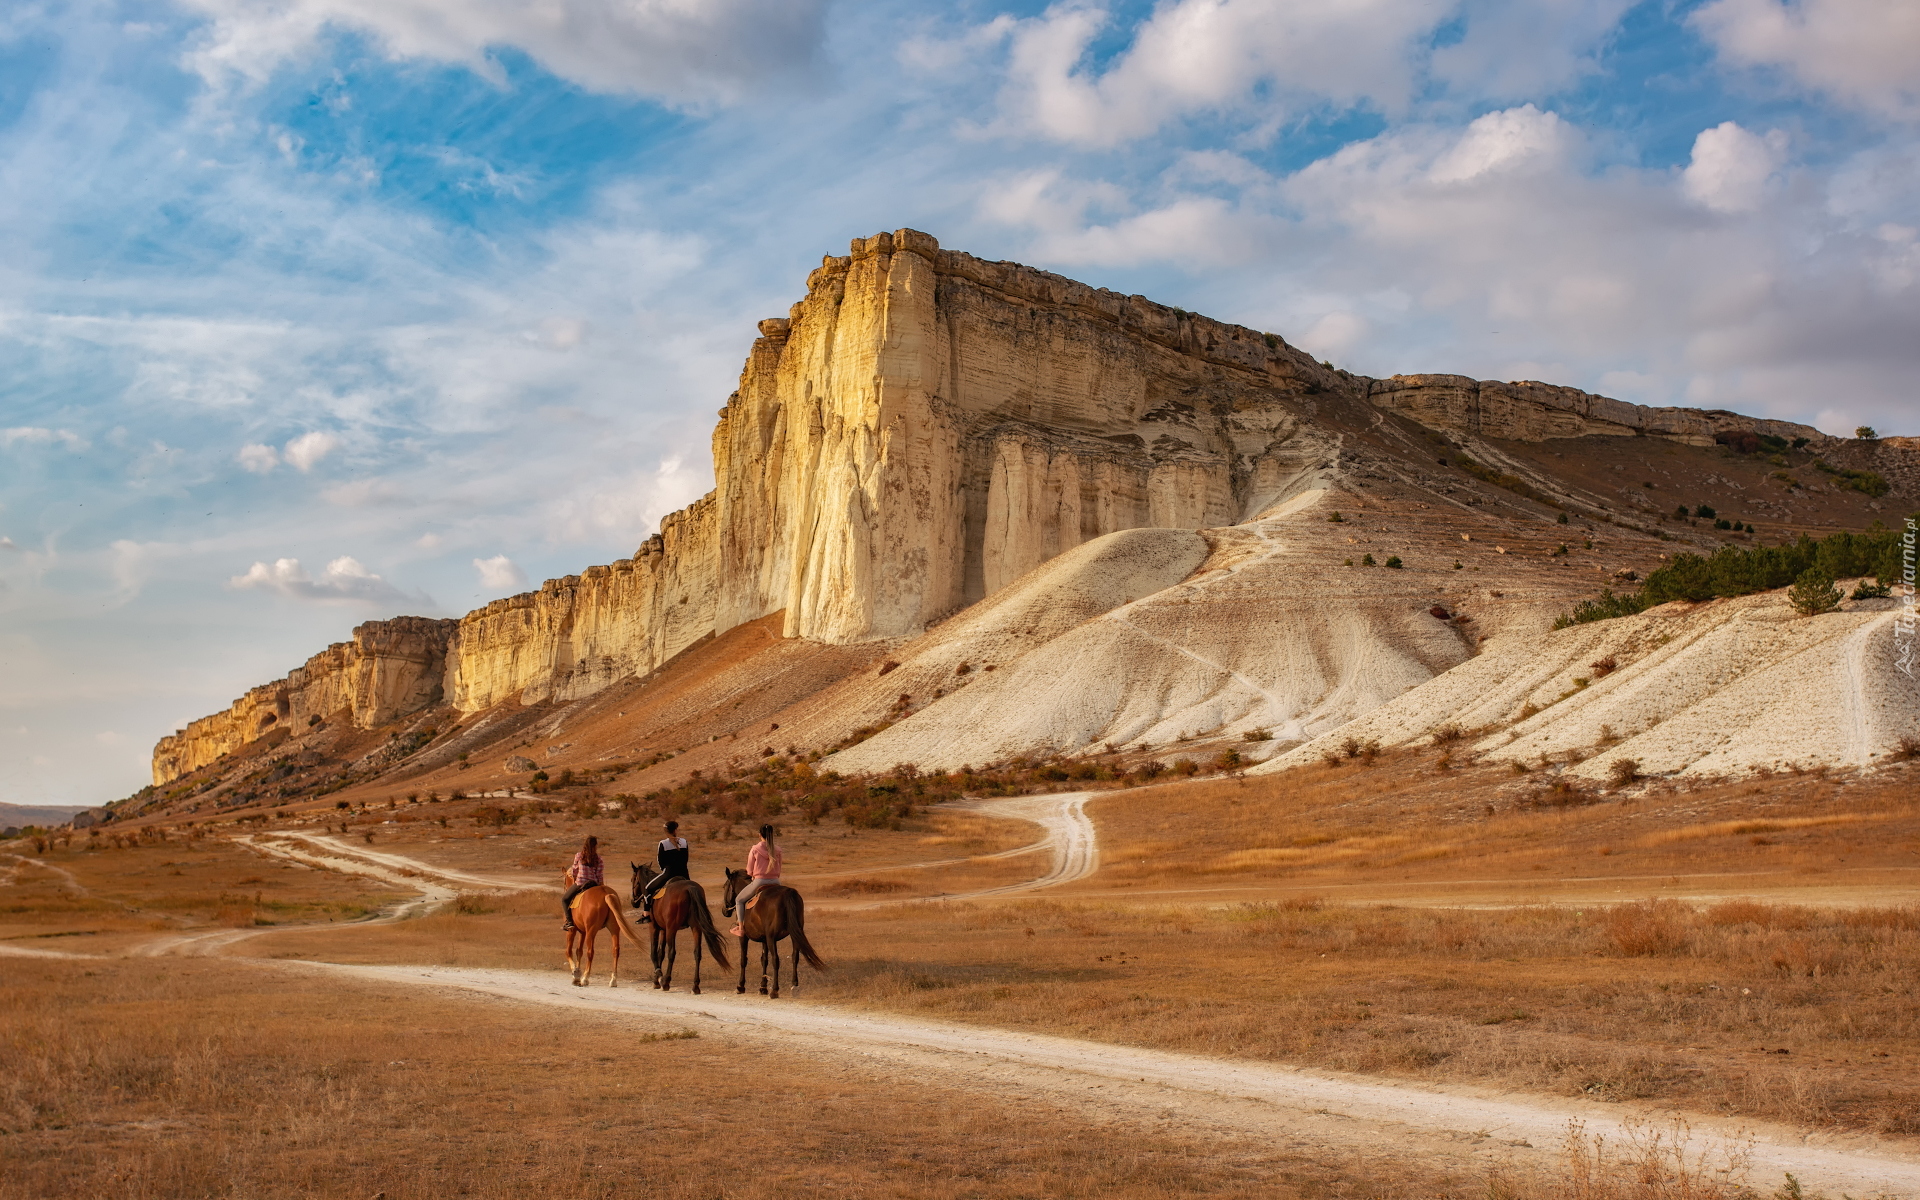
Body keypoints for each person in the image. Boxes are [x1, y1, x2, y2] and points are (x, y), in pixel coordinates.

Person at [729, 824, 781, 937]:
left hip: (760, 881)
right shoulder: (777, 849)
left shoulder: (755, 849)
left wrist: (752, 875)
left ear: (759, 835)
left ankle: (741, 928)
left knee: (739, 900)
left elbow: (749, 869)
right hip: (776, 882)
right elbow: (779, 868)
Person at [636, 820, 690, 923]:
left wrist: (664, 870)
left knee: (648, 888)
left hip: (669, 874)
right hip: (684, 874)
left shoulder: (663, 843)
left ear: (666, 831)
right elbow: (686, 859)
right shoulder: (684, 842)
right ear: (676, 830)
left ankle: (646, 914)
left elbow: (660, 861)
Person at [561, 835, 603, 932]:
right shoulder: (599, 859)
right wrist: (600, 886)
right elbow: (599, 875)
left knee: (564, 899)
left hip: (581, 883)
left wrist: (575, 879)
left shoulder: (579, 856)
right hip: (594, 884)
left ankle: (569, 922)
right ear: (595, 846)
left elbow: (574, 870)